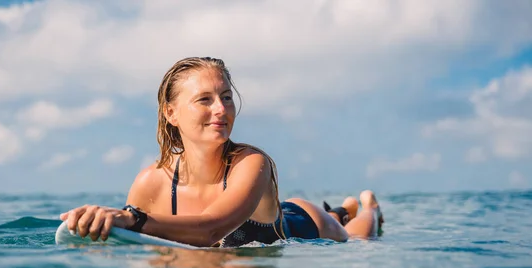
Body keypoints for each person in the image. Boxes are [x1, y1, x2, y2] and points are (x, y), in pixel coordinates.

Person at [60, 57, 384, 247]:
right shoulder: (151, 183)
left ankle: (365, 207)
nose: (221, 109)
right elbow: (136, 250)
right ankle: (345, 207)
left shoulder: (252, 163)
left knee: (358, 236)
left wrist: (130, 218)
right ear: (171, 114)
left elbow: (211, 229)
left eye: (226, 97)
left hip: (302, 223)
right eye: (205, 100)